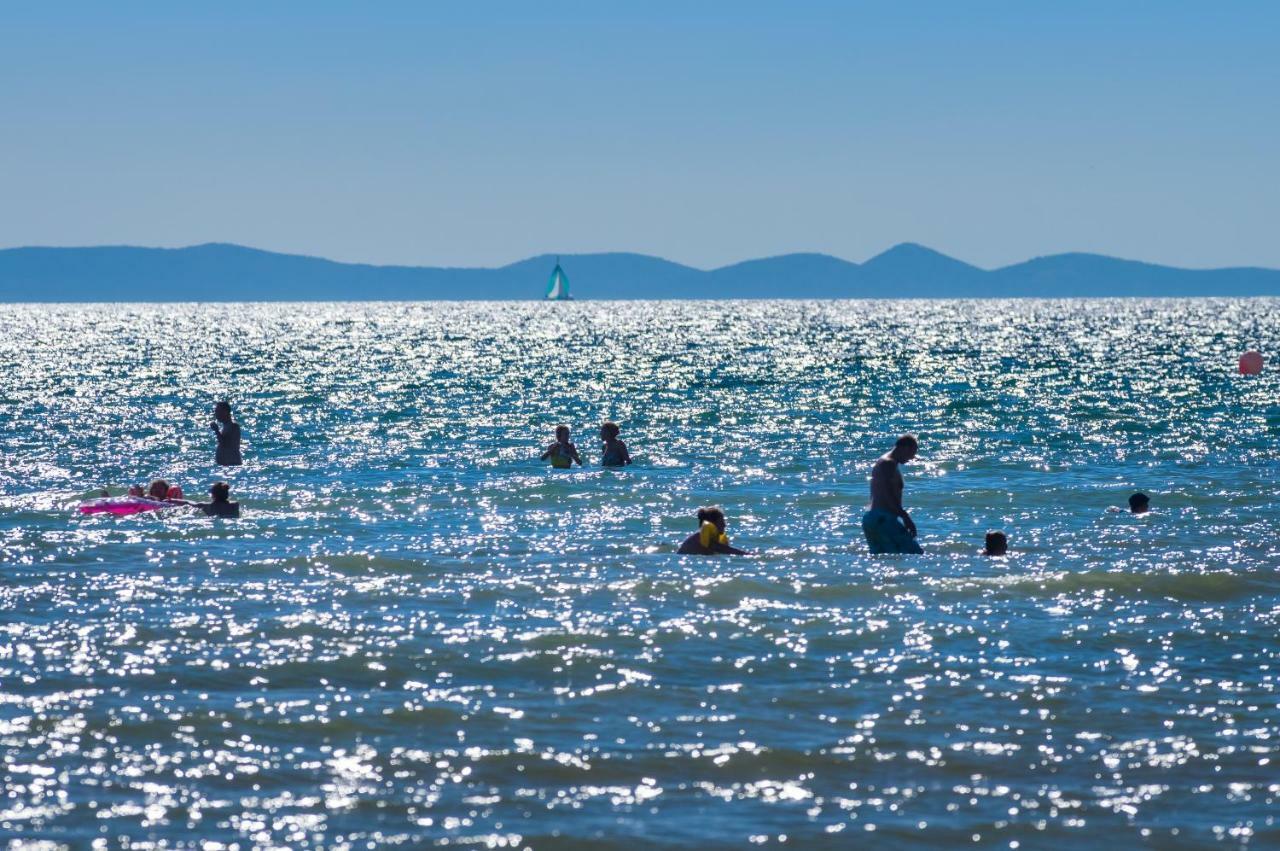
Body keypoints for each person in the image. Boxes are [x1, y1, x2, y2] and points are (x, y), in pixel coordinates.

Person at [862, 434, 923, 554]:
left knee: (883, 558)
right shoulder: (888, 463)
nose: (912, 457)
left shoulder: (884, 462)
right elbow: (887, 494)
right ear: (904, 448)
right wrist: (906, 517)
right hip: (883, 519)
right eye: (912, 453)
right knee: (915, 552)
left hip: (872, 518)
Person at [678, 506, 749, 555]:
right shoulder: (701, 536)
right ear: (712, 523)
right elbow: (722, 549)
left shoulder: (710, 538)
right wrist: (748, 555)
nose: (724, 525)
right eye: (721, 522)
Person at [211, 401, 243, 466]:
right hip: (225, 465)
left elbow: (225, 444)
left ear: (225, 412)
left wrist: (216, 431)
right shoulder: (225, 426)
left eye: (218, 411)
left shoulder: (233, 426)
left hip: (232, 464)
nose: (216, 414)